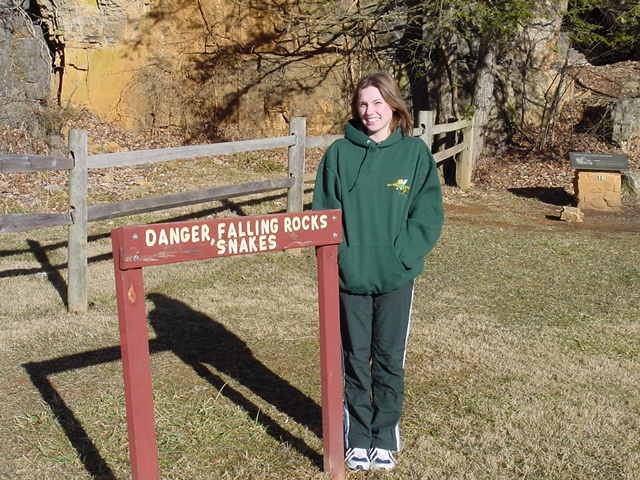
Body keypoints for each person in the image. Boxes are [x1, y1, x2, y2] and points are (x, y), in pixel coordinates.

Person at [312, 72, 444, 471]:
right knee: (354, 358)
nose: (369, 111)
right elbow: (323, 214)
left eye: (377, 103)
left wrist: (403, 255)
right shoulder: (339, 155)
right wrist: (341, 259)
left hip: (395, 278)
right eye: (363, 104)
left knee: (388, 358)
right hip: (349, 278)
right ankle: (357, 437)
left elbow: (427, 214)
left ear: (393, 106)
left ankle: (384, 436)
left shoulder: (414, 155)